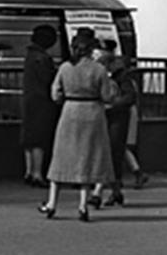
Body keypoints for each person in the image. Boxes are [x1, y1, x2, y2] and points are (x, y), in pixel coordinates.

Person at [39, 30, 117, 222]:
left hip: (70, 112)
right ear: (91, 49)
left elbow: (55, 94)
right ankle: (83, 205)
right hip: (93, 113)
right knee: (87, 159)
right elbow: (107, 96)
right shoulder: (98, 69)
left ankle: (51, 204)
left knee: (61, 158)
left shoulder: (65, 68)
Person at [94, 55, 139, 209]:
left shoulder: (122, 76)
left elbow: (130, 96)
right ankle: (116, 191)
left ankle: (97, 193)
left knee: (113, 153)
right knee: (111, 154)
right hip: (110, 117)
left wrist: (113, 105)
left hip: (117, 118)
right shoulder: (107, 74)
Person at [20, 24, 59, 188]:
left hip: (28, 99)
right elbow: (47, 79)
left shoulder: (29, 55)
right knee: (39, 138)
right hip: (42, 100)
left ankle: (28, 171)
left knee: (29, 137)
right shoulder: (43, 58)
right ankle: (37, 173)